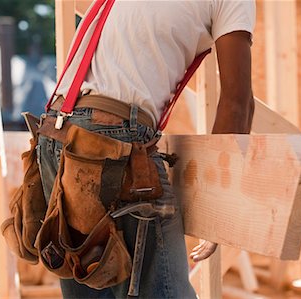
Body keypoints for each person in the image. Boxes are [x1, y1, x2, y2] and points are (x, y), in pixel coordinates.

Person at [37, 1, 255, 298]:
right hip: (110, 140)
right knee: (164, 291)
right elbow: (236, 100)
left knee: (89, 283)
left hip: (56, 132)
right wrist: (220, 209)